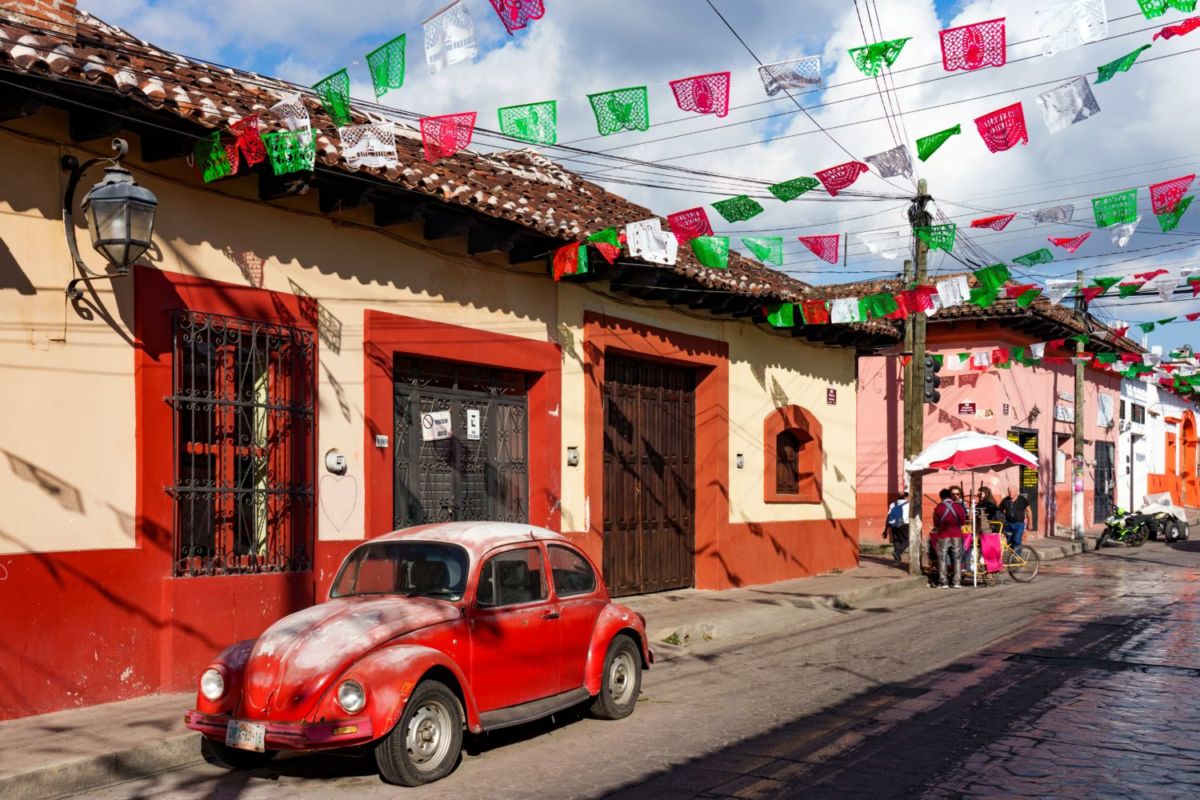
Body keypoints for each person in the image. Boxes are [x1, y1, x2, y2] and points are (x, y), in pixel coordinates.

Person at [932, 485, 968, 588]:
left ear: (941, 497)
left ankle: (944, 582)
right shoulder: (958, 506)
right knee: (957, 558)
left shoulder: (939, 507)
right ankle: (957, 582)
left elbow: (936, 523)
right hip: (957, 535)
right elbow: (962, 521)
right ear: (950, 496)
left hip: (943, 536)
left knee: (942, 558)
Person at [884, 491, 909, 565]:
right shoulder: (909, 504)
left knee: (896, 540)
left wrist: (885, 530)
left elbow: (888, 517)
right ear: (906, 497)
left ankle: (897, 561)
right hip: (904, 524)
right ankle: (897, 552)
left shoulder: (892, 504)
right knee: (909, 539)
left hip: (893, 524)